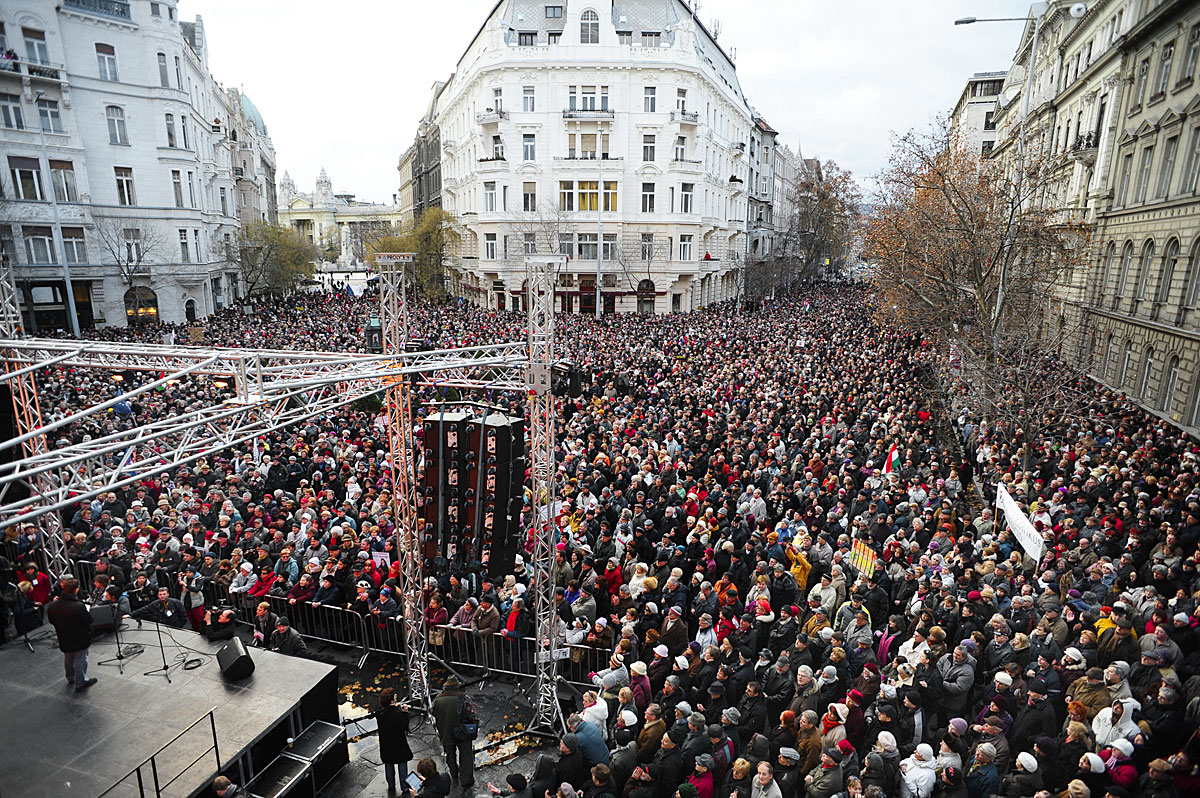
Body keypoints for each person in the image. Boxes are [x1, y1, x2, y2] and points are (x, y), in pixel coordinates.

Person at [46, 578, 96, 691]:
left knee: (68, 658)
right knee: (80, 660)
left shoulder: (53, 606)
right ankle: (80, 682)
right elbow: (88, 621)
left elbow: (51, 621)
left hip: (63, 636)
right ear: (76, 589)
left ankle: (70, 677)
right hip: (79, 637)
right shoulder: (78, 606)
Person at [432, 676, 474, 789]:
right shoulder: (463, 698)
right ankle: (466, 780)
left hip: (445, 733)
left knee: (450, 755)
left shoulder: (437, 699)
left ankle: (454, 774)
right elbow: (471, 714)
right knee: (466, 755)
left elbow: (433, 713)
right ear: (457, 686)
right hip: (462, 733)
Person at [377, 687, 413, 794]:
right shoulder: (396, 714)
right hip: (398, 744)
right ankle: (404, 787)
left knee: (389, 765)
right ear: (392, 701)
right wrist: (405, 713)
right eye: (394, 697)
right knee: (402, 764)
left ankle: (391, 786)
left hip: (386, 744)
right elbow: (403, 727)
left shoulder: (380, 712)